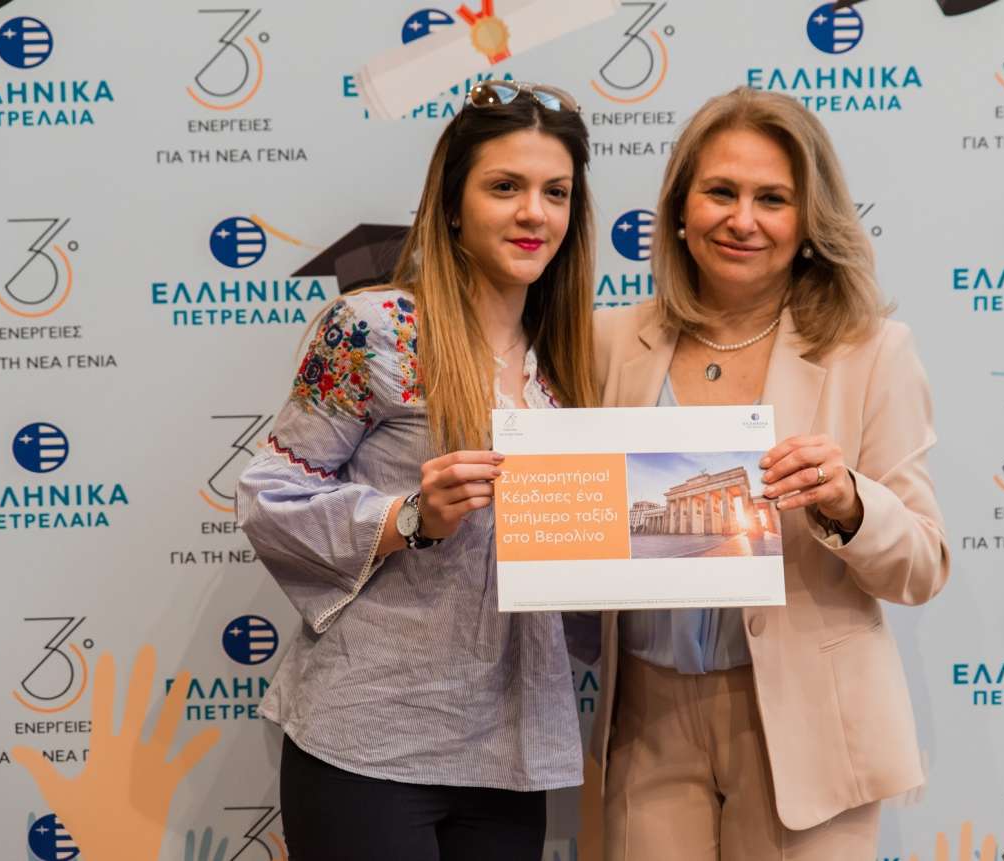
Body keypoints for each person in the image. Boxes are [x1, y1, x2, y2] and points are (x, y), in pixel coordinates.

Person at [236, 80, 597, 861]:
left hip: (510, 753)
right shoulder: (373, 330)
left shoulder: (573, 364)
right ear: (453, 204)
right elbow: (268, 496)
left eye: (555, 192)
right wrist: (410, 517)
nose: (534, 212)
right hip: (368, 742)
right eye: (505, 186)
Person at [590, 87, 949, 860]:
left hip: (809, 728)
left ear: (809, 220)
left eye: (773, 199)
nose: (742, 219)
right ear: (679, 209)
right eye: (720, 192)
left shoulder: (872, 350)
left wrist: (849, 502)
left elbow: (922, 564)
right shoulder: (608, 339)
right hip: (647, 720)